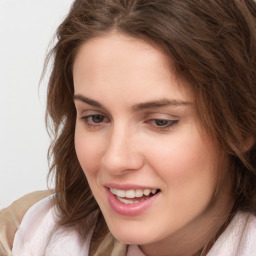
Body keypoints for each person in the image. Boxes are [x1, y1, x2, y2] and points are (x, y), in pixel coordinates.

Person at [1, 0, 256, 255]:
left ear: (243, 125)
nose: (115, 160)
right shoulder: (20, 234)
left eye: (160, 122)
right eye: (96, 118)